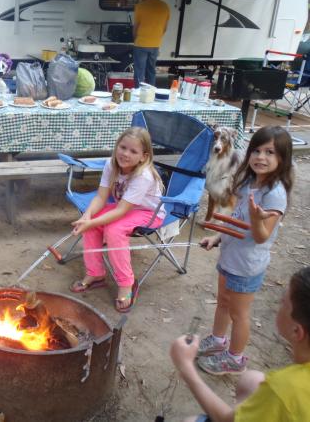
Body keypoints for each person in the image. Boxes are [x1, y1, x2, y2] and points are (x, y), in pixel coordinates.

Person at [196, 125, 293, 375]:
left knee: (239, 314)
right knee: (223, 302)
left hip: (247, 265)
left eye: (270, 152)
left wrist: (256, 217)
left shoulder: (275, 194)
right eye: (257, 151)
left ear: (283, 158)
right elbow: (235, 216)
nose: (261, 157)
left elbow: (261, 238)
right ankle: (218, 340)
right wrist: (217, 238)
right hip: (230, 255)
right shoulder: (249, 181)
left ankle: (235, 358)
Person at [170, 266, 310, 421]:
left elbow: (226, 419)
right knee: (252, 380)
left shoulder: (284, 389)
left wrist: (186, 367)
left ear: (297, 332)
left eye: (283, 302)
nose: (280, 302)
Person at [69, 127, 165, 313]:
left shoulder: (143, 175)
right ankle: (95, 274)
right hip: (126, 208)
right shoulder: (110, 165)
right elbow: (100, 197)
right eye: (123, 147)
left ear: (143, 157)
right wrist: (87, 217)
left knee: (114, 230)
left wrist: (91, 221)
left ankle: (126, 283)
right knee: (92, 222)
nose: (125, 154)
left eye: (133, 151)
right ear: (116, 146)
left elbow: (121, 211)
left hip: (149, 213)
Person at [132, 0, 170, 88]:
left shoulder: (140, 6)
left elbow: (136, 27)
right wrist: (156, 38)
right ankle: (151, 93)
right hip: (155, 45)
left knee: (139, 71)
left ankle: (138, 93)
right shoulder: (164, 6)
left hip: (141, 44)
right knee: (151, 71)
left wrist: (135, 39)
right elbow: (165, 28)